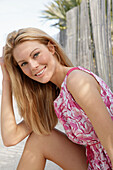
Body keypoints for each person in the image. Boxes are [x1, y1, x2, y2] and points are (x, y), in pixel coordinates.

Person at [0, 27, 113, 170]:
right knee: (40, 138)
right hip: (97, 160)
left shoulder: (76, 80)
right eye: (24, 64)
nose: (33, 66)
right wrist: (7, 80)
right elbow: (11, 138)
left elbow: (111, 140)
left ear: (51, 48)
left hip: (108, 159)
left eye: (35, 55)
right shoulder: (54, 95)